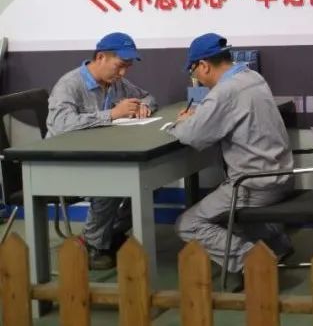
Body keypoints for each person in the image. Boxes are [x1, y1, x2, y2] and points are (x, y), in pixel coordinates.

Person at [166, 33, 294, 285]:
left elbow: (192, 135)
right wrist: (202, 115)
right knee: (231, 215)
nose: (196, 78)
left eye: (194, 71)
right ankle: (276, 244)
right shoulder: (252, 77)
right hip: (281, 177)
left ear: (203, 65)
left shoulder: (224, 91)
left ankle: (254, 262)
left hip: (254, 185)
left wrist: (180, 123)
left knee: (187, 224)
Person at [47, 32, 156, 270]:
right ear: (100, 57)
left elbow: (148, 97)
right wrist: (112, 114)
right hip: (63, 164)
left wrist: (143, 107)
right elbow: (60, 124)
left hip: (96, 158)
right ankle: (93, 245)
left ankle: (106, 235)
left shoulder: (116, 83)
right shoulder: (70, 84)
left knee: (150, 179)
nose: (123, 73)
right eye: (120, 66)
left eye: (127, 67)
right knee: (112, 182)